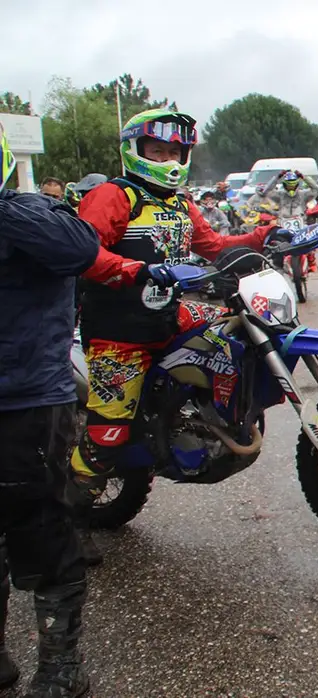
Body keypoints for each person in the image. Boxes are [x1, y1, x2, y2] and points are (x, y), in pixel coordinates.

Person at [68, 109, 289, 502]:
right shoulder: (115, 196)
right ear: (135, 150)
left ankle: (207, 416)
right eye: (157, 151)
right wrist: (138, 271)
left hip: (169, 315)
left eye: (175, 152)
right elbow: (83, 254)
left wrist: (263, 236)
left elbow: (216, 247)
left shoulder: (179, 204)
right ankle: (73, 509)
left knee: (235, 327)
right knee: (109, 431)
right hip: (118, 332)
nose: (168, 160)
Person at [0, 121, 100, 698]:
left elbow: (79, 248)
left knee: (42, 529)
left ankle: (60, 669)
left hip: (28, 403)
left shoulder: (32, 217)